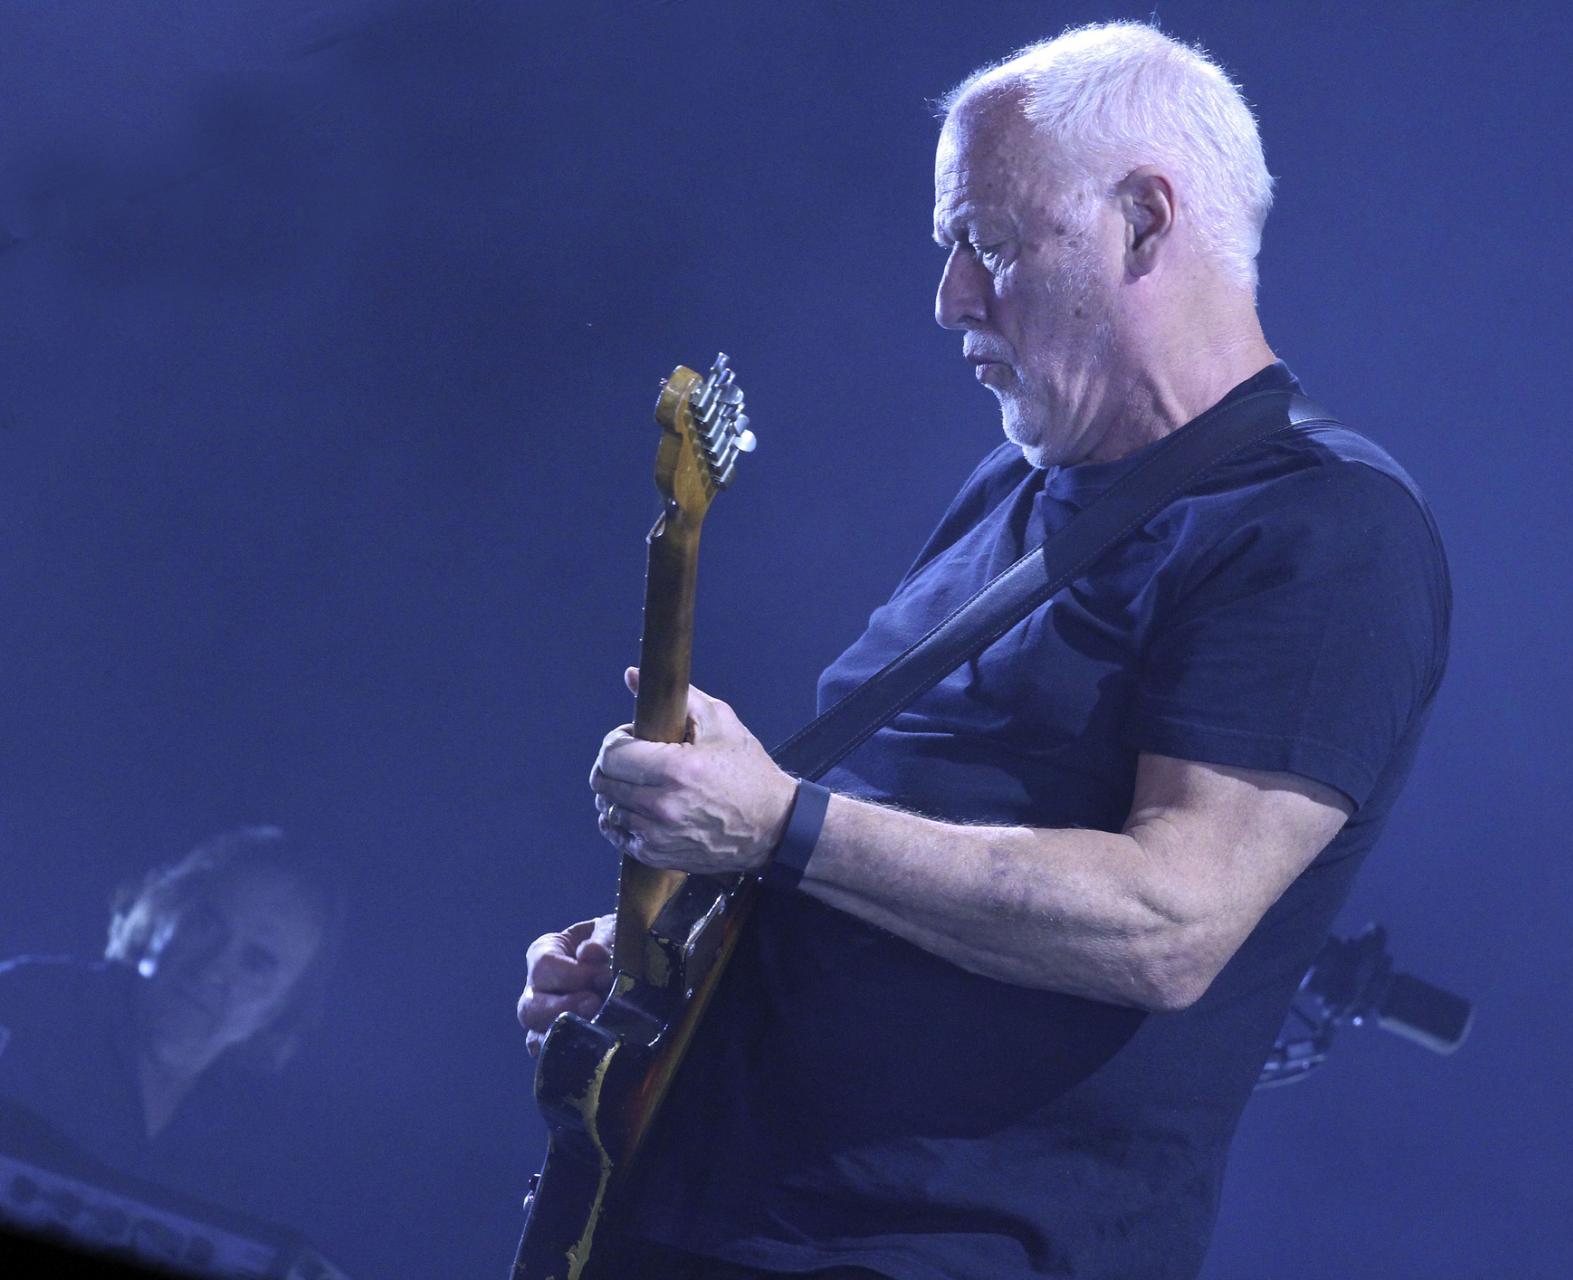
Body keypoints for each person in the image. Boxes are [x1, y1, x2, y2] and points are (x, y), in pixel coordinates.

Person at [520, 21, 1450, 1280]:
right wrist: (678, 951)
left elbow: (1168, 919)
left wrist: (781, 825)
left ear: (1144, 221)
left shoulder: (1325, 527)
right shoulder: (1013, 484)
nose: (950, 295)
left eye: (989, 242)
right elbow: (888, 836)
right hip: (700, 1209)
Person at [0, 825, 336, 1212]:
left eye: (256, 961)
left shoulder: (255, 1137)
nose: (211, 968)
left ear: (281, 1009)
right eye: (206, 923)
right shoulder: (28, 1003)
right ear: (163, 913)